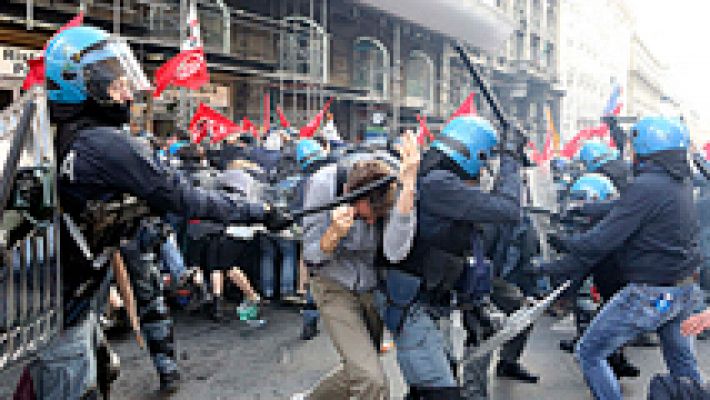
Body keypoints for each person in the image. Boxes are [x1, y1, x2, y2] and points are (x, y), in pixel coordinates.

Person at [45, 25, 289, 396]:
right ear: (82, 85)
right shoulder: (107, 145)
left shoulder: (58, 135)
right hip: (68, 302)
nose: (127, 92)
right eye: (115, 83)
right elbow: (186, 198)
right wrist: (260, 210)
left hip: (63, 295)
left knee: (94, 369)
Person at [534, 117, 703, 400]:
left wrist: (567, 243)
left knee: (589, 352)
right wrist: (588, 209)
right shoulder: (678, 180)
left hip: (650, 293)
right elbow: (627, 206)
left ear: (646, 149)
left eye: (633, 147)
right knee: (682, 363)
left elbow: (602, 241)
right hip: (683, 290)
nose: (630, 153)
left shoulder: (647, 185)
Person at [383, 116, 525, 399]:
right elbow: (508, 209)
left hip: (430, 303)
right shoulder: (439, 184)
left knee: (427, 389)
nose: (483, 170)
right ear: (473, 152)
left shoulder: (437, 178)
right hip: (413, 306)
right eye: (484, 160)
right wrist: (510, 157)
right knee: (440, 393)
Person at [295, 132, 419, 400]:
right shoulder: (323, 185)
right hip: (333, 283)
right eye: (367, 215)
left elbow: (395, 252)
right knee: (372, 381)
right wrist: (332, 236)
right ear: (347, 194)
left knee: (361, 369)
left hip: (372, 285)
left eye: (379, 216)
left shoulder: (396, 186)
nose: (373, 222)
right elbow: (312, 256)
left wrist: (408, 188)